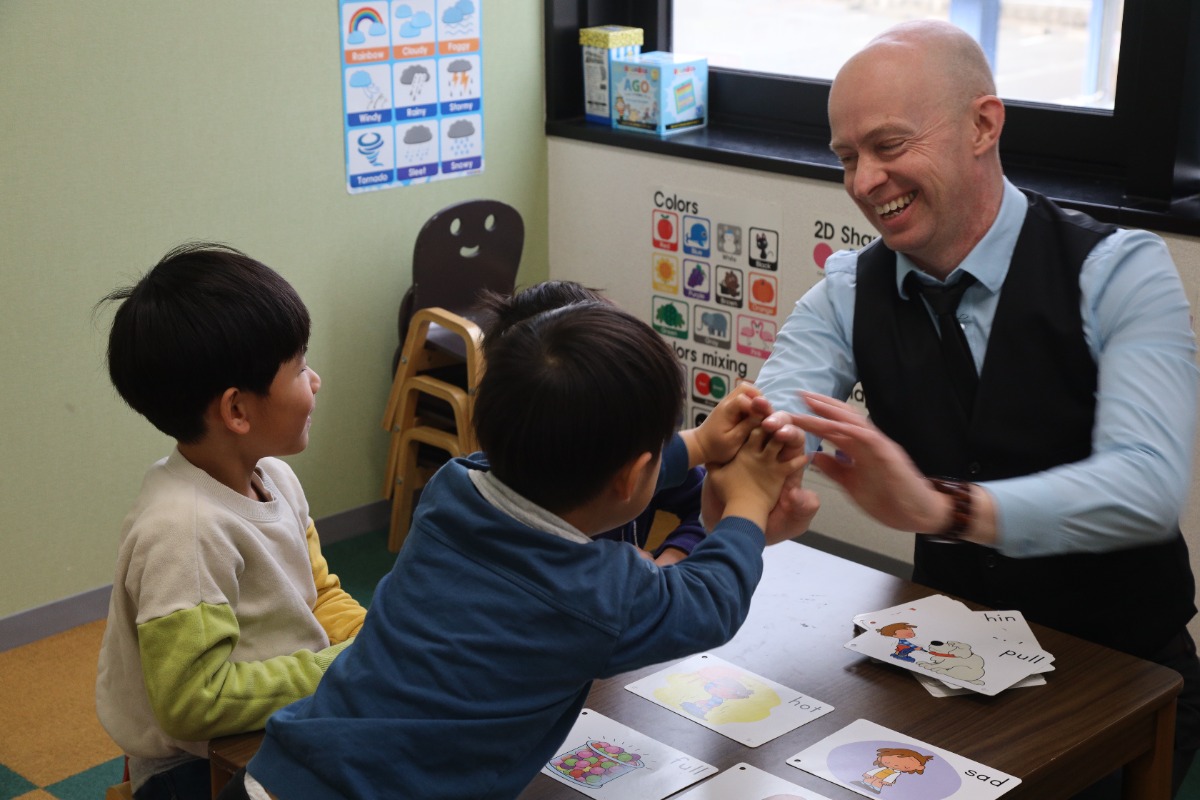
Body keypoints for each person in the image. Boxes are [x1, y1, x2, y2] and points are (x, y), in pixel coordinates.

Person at [754, 19, 1200, 797]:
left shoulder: (1122, 271)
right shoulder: (848, 291)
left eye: (889, 146)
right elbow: (772, 416)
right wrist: (746, 470)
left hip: (1124, 672)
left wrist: (941, 507)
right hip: (942, 658)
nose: (865, 183)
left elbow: (1146, 489)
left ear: (983, 126)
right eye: (848, 158)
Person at [220, 286, 814, 799]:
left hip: (281, 774)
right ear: (632, 477)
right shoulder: (598, 591)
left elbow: (564, 472)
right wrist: (749, 504)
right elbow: (710, 602)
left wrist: (699, 445)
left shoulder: (452, 489)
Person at [94, 242, 367, 800]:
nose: (315, 382)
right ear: (237, 410)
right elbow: (196, 703)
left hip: (274, 721)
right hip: (192, 772)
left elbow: (318, 593)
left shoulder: (276, 480)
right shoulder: (183, 532)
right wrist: (340, 669)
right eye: (300, 367)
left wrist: (374, 642)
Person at [481, 279, 708, 565]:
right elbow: (705, 598)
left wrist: (674, 554)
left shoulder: (465, 485)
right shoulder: (584, 579)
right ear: (629, 476)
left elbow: (704, 497)